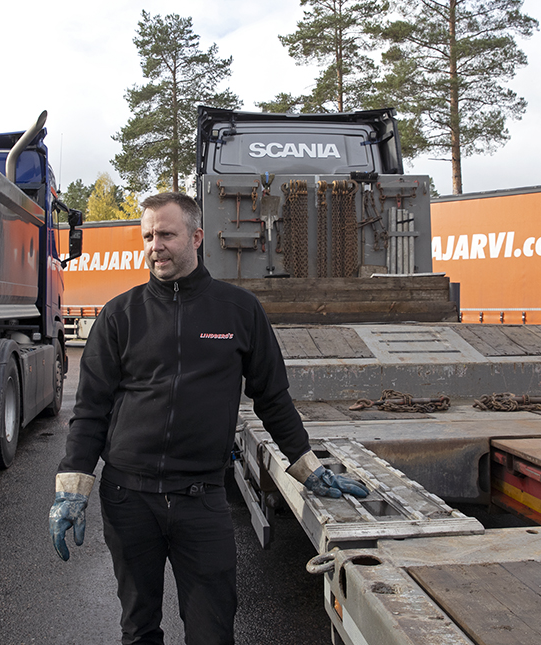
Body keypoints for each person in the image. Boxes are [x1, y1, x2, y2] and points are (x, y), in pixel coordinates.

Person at [49, 192, 368, 644]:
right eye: (147, 236)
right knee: (138, 628)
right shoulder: (120, 315)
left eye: (165, 234)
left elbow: (272, 398)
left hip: (200, 500)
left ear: (196, 237)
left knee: (213, 632)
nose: (153, 246)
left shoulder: (238, 311)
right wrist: (71, 487)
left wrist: (306, 466)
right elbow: (90, 411)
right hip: (128, 499)